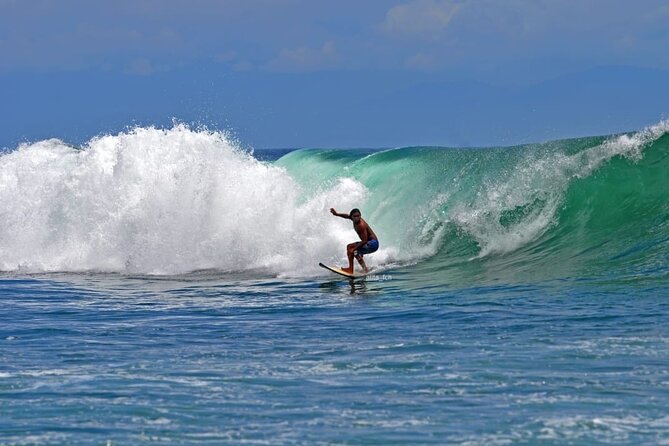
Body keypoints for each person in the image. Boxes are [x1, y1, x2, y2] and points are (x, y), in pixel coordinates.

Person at [330, 207, 379, 274]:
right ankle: (365, 269)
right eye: (354, 216)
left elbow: (364, 240)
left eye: (358, 216)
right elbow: (346, 216)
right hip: (369, 242)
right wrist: (336, 214)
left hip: (373, 244)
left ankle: (350, 269)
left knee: (351, 248)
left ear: (360, 216)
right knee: (355, 251)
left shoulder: (361, 225)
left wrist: (354, 249)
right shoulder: (353, 219)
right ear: (351, 217)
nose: (356, 218)